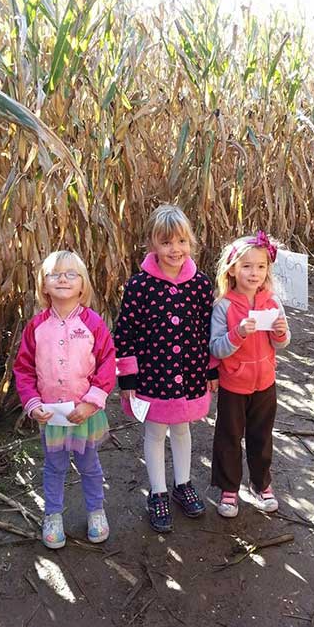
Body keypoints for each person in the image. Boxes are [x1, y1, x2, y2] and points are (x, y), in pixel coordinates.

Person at [114, 204, 218, 533]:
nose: (175, 250)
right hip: (152, 374)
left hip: (189, 371)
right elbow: (125, 332)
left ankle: (183, 484)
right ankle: (157, 492)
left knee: (184, 428)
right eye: (167, 242)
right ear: (153, 245)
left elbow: (208, 329)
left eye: (182, 242)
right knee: (156, 432)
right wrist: (127, 375)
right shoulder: (139, 286)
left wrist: (211, 370)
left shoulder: (200, 285)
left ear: (191, 243)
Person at [13, 250, 115, 549]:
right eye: (54, 274)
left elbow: (107, 364)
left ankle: (96, 511)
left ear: (83, 285)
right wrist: (32, 404)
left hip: (84, 412)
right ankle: (53, 515)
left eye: (71, 274)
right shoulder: (36, 327)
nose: (62, 279)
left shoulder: (94, 324)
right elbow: (23, 368)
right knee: (54, 467)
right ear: (43, 286)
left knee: (89, 465)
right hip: (51, 416)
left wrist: (91, 402)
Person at [210, 231, 290, 518]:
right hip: (234, 383)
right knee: (229, 436)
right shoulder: (224, 306)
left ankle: (261, 484)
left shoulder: (272, 302)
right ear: (232, 269)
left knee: (261, 436)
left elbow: (282, 341)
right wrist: (238, 333)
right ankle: (229, 489)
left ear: (268, 269)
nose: (254, 272)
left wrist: (280, 334)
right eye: (247, 266)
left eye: (260, 266)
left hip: (265, 383)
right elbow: (216, 348)